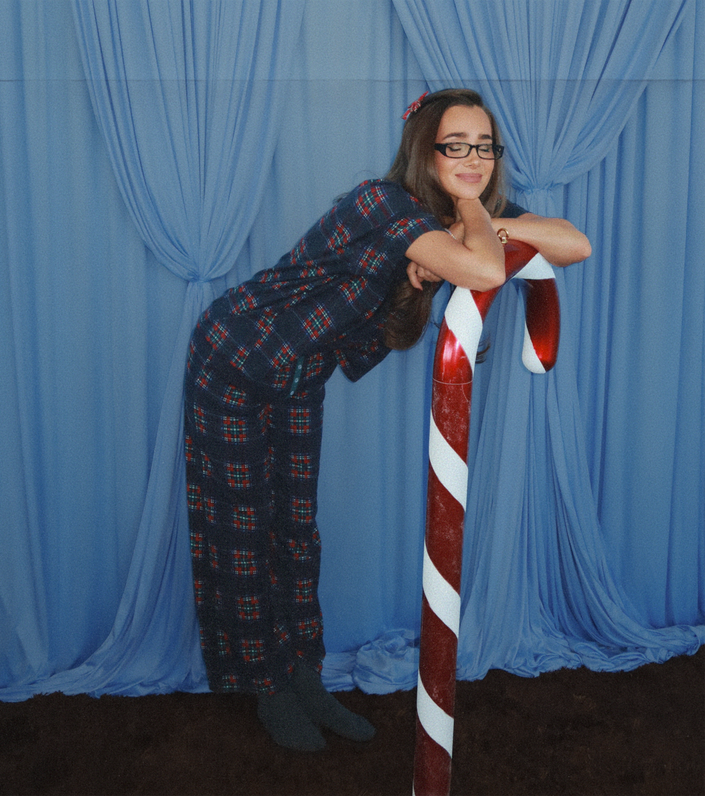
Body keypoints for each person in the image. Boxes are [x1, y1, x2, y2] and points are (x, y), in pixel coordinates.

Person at [183, 88, 590, 752]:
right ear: (425, 151)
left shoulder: (462, 217)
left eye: (485, 147)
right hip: (238, 354)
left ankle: (304, 674)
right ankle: (267, 686)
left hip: (301, 370)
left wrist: (481, 220)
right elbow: (485, 269)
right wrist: (473, 219)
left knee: (296, 527)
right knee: (242, 529)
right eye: (455, 146)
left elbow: (575, 243)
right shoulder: (383, 203)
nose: (474, 160)